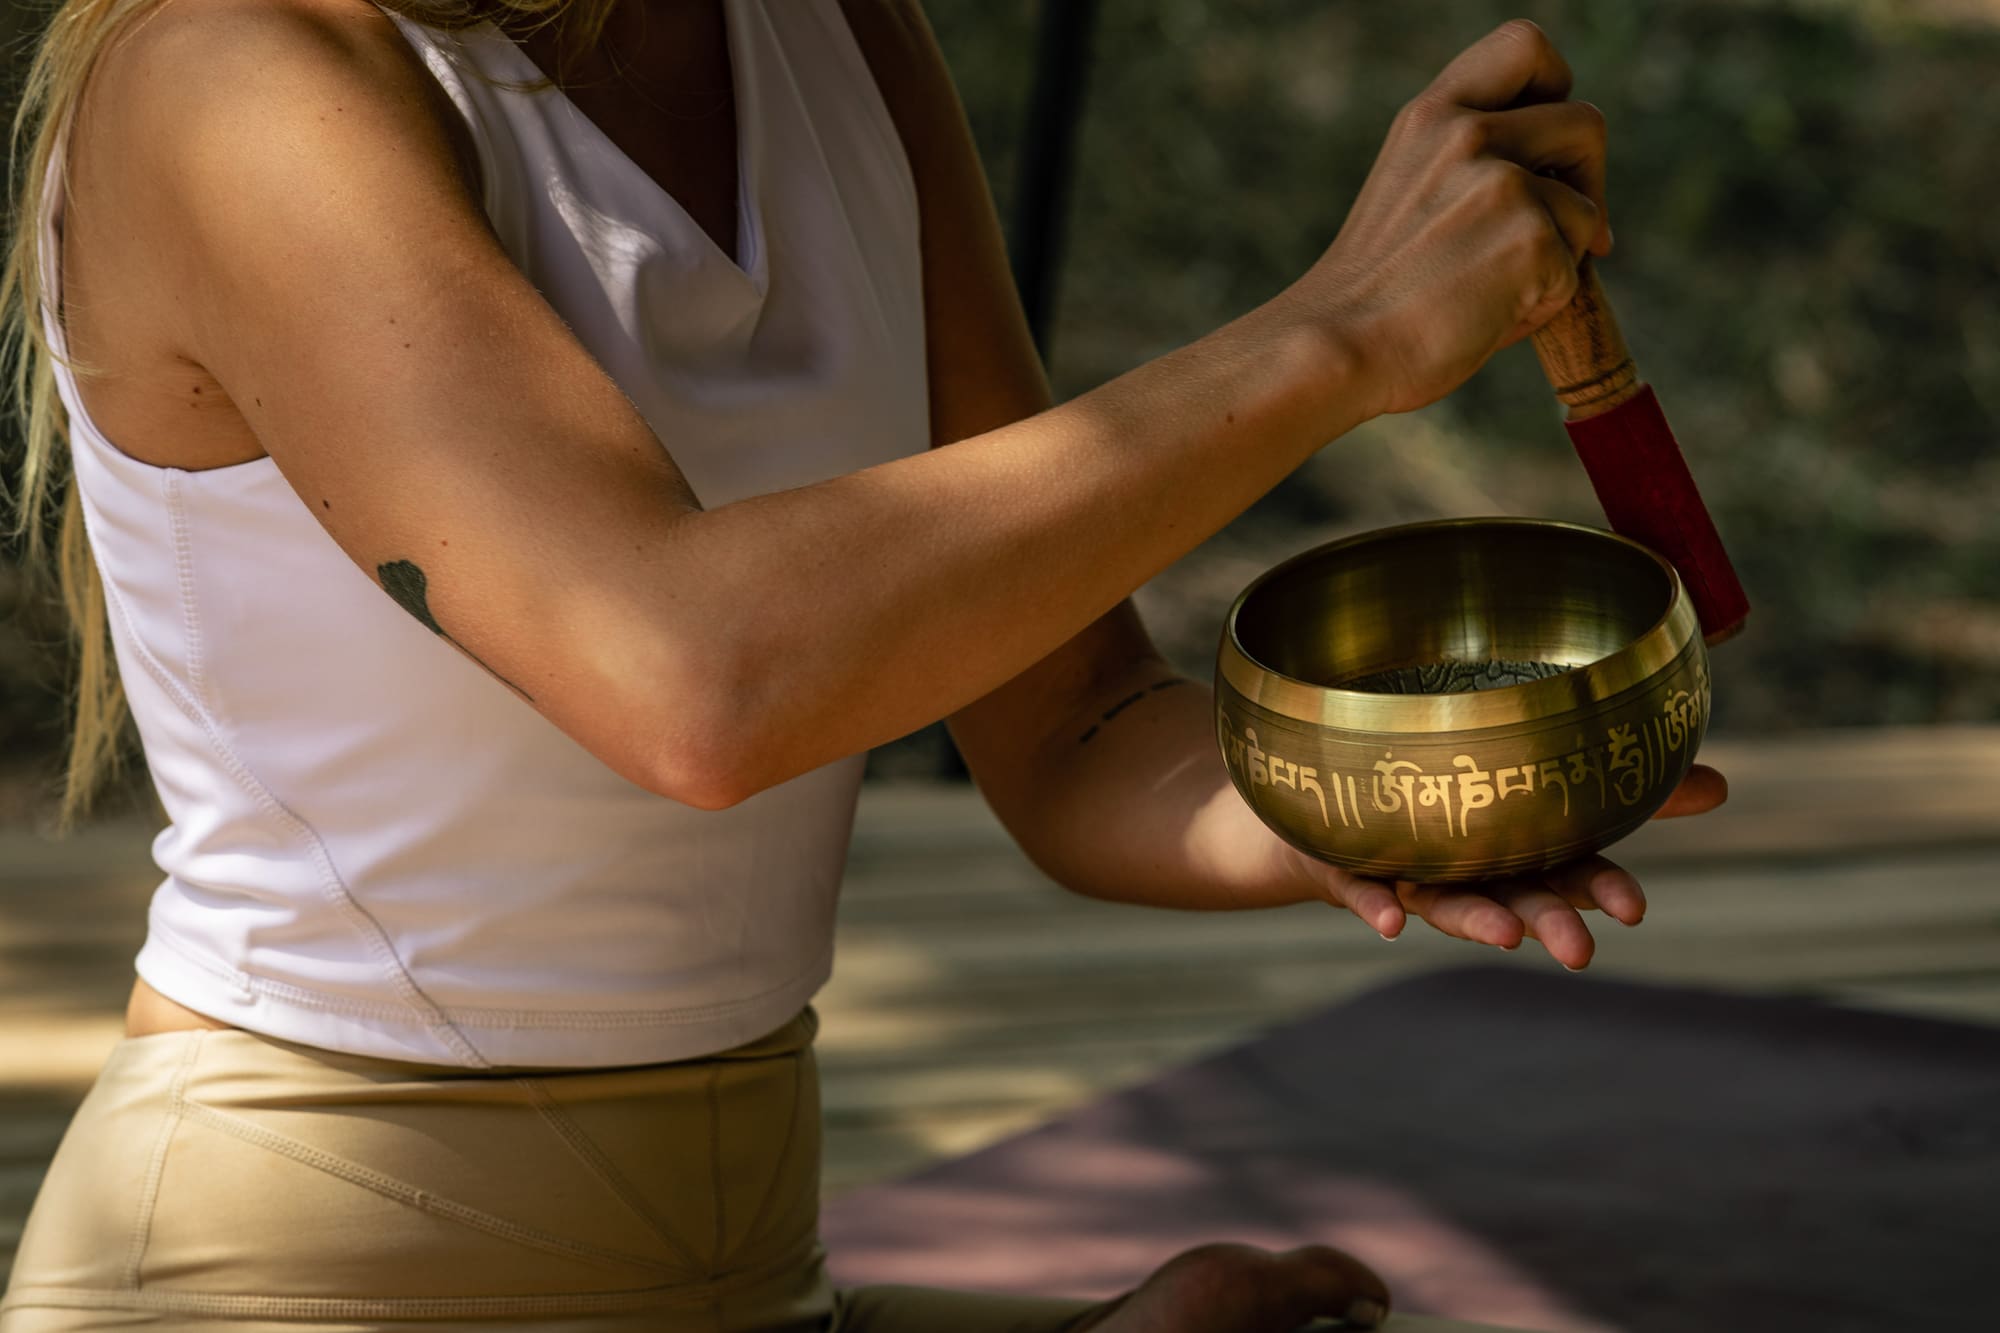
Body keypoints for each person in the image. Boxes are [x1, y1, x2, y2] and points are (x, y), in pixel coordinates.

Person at [0, 1, 1725, 1329]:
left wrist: (1396, 795)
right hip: (293, 1268)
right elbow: (692, 680)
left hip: (746, 1272)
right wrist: (1333, 336)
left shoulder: (836, 38)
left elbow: (1081, 729)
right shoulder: (232, 67)